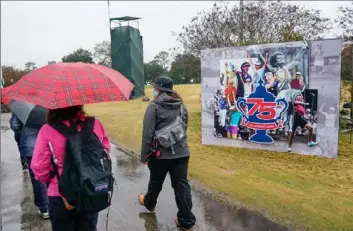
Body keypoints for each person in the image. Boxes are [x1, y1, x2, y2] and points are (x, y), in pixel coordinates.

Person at [30, 105, 111, 231]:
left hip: (60, 194)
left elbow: (39, 167)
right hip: (90, 189)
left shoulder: (47, 130)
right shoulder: (95, 124)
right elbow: (105, 151)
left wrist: (52, 179)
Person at [138, 76, 196, 231]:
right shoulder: (181, 104)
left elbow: (148, 134)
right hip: (182, 152)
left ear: (160, 89)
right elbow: (184, 127)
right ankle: (186, 219)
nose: (153, 89)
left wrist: (144, 155)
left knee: (156, 180)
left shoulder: (154, 106)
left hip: (160, 154)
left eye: (155, 87)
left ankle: (149, 203)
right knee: (181, 184)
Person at [9, 113, 49, 219]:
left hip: (31, 144)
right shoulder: (48, 102)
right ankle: (55, 202)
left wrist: (21, 138)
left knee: (38, 176)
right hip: (49, 142)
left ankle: (45, 208)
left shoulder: (23, 103)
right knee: (52, 172)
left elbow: (15, 125)